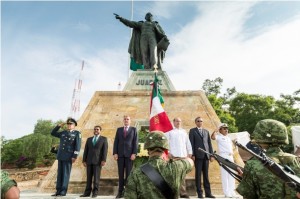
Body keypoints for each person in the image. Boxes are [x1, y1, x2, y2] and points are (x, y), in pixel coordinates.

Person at [236, 119, 300, 199]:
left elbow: (249, 195)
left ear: (260, 136)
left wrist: (246, 179)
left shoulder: (252, 164)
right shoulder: (294, 159)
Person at [124, 131, 194, 199]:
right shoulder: (176, 167)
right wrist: (174, 160)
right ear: (164, 149)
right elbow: (190, 161)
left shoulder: (135, 173)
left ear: (148, 150)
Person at [50, 117, 81, 197]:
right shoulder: (63, 132)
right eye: (68, 124)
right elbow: (52, 133)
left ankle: (63, 191)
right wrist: (59, 125)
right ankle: (58, 190)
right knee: (59, 174)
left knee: (65, 174)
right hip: (60, 156)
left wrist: (75, 156)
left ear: (74, 125)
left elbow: (77, 146)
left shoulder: (77, 133)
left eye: (71, 124)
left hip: (69, 156)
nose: (69, 125)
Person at [165, 117, 193, 198]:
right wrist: (168, 152)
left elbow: (187, 142)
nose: (178, 123)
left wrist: (190, 152)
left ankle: (183, 193)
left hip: (183, 156)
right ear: (173, 122)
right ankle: (173, 193)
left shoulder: (184, 132)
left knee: (183, 176)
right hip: (174, 157)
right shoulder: (169, 131)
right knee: (173, 175)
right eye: (177, 121)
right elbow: (166, 142)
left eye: (180, 121)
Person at [189, 117, 215, 198]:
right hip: (198, 156)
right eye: (198, 121)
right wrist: (192, 154)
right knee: (198, 175)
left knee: (206, 175)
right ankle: (200, 193)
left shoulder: (206, 131)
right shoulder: (192, 131)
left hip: (206, 156)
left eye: (201, 121)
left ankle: (208, 193)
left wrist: (211, 155)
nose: (200, 122)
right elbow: (191, 143)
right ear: (195, 122)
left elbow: (209, 144)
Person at [113, 115, 138, 198]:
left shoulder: (134, 129)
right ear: (123, 120)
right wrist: (115, 153)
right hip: (120, 155)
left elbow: (135, 142)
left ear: (130, 121)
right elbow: (116, 141)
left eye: (128, 119)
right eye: (125, 119)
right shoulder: (119, 130)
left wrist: (134, 153)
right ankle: (120, 192)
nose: (126, 120)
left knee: (128, 175)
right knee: (120, 174)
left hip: (129, 156)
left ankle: (127, 192)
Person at [80, 125, 108, 198]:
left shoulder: (103, 139)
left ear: (100, 130)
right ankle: (87, 193)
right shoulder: (89, 139)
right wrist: (84, 160)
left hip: (98, 161)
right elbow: (86, 150)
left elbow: (105, 151)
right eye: (95, 129)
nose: (96, 130)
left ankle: (95, 193)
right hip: (89, 161)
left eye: (97, 129)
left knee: (96, 178)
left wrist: (104, 160)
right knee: (88, 178)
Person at [211, 123, 236, 198]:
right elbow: (212, 137)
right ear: (220, 130)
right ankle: (226, 192)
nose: (226, 130)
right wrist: (215, 130)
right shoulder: (219, 137)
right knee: (225, 175)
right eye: (224, 128)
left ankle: (232, 191)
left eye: (227, 128)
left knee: (232, 174)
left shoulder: (228, 138)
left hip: (230, 156)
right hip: (223, 156)